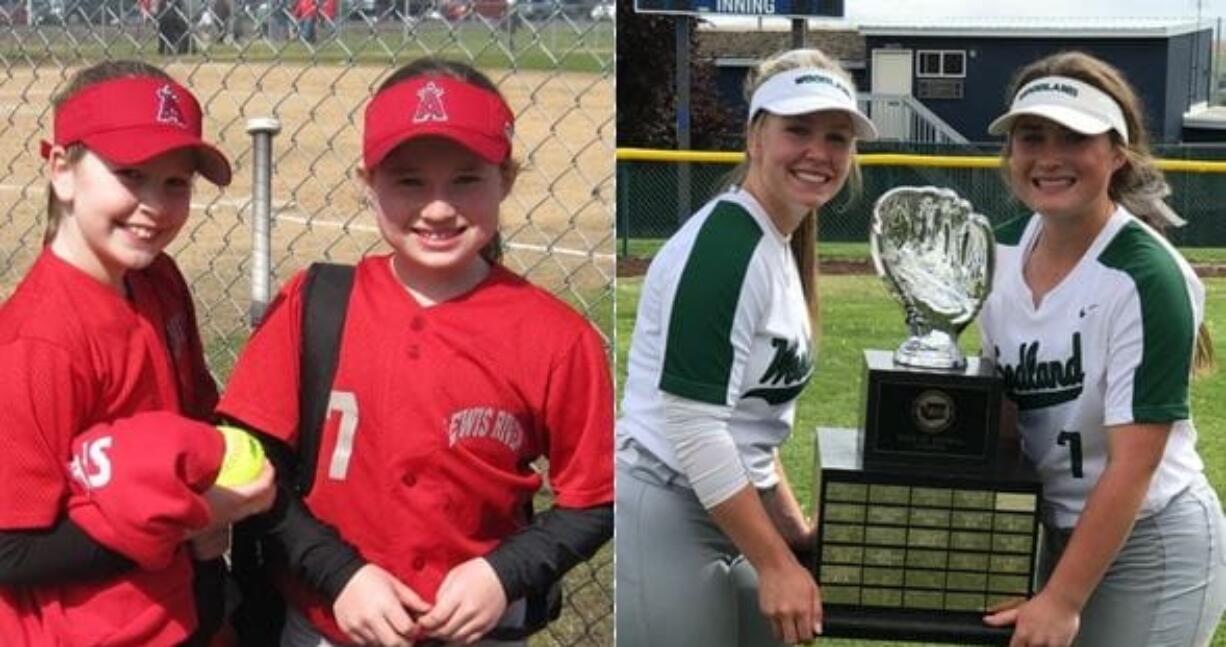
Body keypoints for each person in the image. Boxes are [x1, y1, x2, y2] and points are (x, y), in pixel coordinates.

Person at [216, 57, 614, 647]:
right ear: (367, 182)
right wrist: (340, 574)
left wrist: (500, 575)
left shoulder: (555, 336)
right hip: (324, 622)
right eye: (408, 181)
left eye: (466, 179)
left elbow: (598, 497)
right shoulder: (317, 303)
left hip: (476, 629)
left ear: (505, 178)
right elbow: (249, 463)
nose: (437, 207)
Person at [0, 60, 275, 646]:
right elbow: (12, 550)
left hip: (183, 602)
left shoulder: (159, 280)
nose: (155, 204)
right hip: (90, 628)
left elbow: (195, 412)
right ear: (61, 171)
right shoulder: (37, 342)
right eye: (130, 173)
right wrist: (198, 514)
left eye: (176, 182)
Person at [615, 48, 878, 647]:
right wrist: (777, 563)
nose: (820, 152)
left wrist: (793, 534)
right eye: (798, 130)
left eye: (838, 137)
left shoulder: (774, 244)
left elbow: (751, 427)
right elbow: (694, 425)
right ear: (754, 137)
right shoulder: (727, 247)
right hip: (668, 502)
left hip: (726, 506)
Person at [979, 50, 1226, 647]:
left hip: (1148, 539)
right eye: (1031, 136)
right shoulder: (994, 253)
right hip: (1046, 527)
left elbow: (1134, 463)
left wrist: (1062, 599)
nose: (1049, 156)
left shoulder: (1145, 276)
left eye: (1075, 137)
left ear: (1117, 154)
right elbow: (1002, 418)